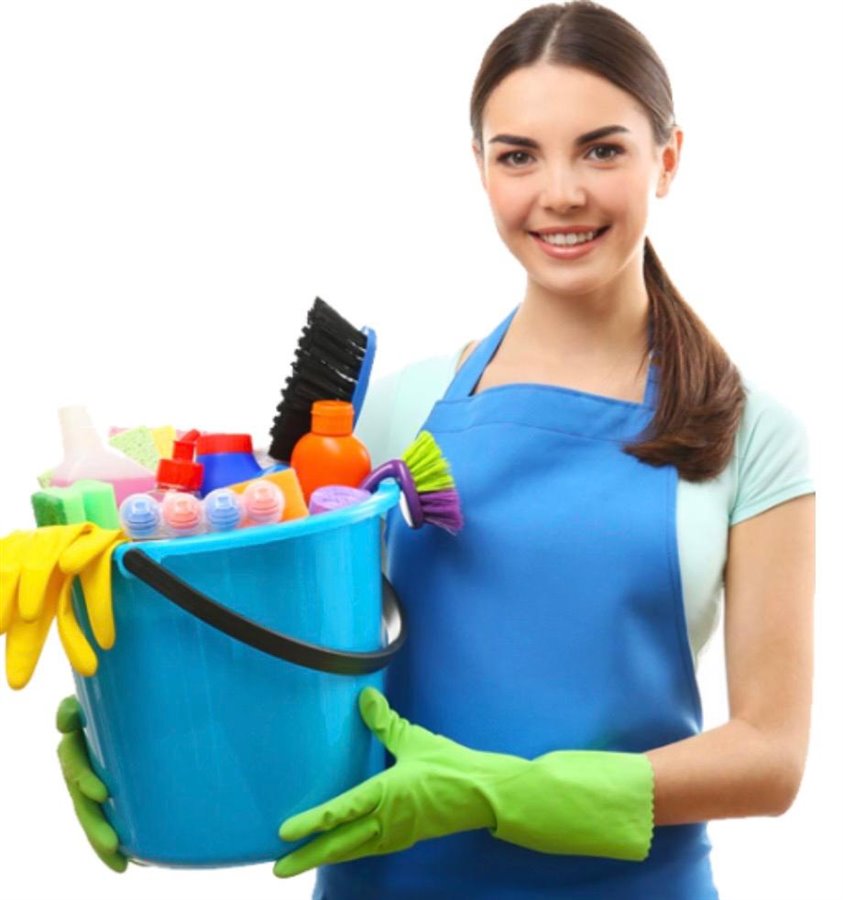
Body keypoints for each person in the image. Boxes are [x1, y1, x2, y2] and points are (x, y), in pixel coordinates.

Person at [55, 2, 816, 898]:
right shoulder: (399, 409)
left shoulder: (746, 429)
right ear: (480, 167)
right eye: (518, 156)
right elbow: (276, 646)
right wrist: (136, 725)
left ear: (669, 158)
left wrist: (499, 794)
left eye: (601, 151)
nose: (559, 193)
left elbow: (769, 756)